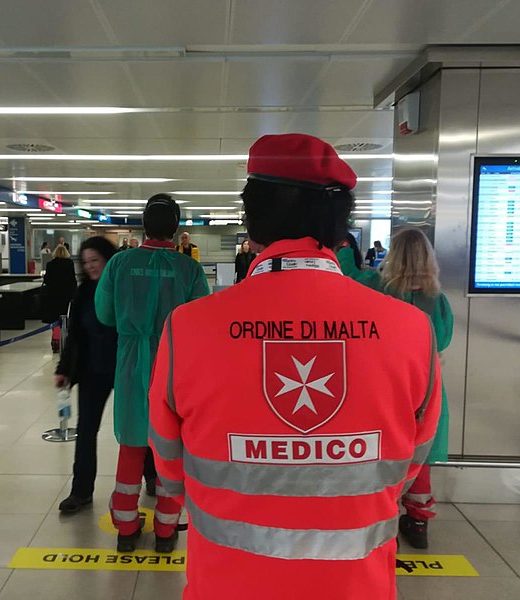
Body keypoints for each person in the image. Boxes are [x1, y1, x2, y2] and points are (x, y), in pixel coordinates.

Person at [148, 134, 441, 599]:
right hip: (356, 585)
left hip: (227, 581)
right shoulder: (411, 329)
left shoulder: (187, 327)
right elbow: (409, 462)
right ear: (340, 226)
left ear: (252, 220)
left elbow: (169, 463)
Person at [95, 193, 209, 554]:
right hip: (175, 366)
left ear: (144, 225)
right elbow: (200, 322)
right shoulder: (188, 269)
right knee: (169, 449)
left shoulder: (119, 264)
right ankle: (165, 529)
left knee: (131, 446)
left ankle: (126, 528)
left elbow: (105, 314)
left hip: (131, 364)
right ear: (176, 229)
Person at [380, 228, 453, 549]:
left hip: (386, 384)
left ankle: (380, 516)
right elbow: (445, 339)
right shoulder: (436, 299)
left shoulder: (378, 290)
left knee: (385, 452)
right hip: (426, 385)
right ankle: (418, 520)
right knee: (420, 455)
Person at [54, 237, 124, 513]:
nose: (91, 266)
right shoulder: (83, 293)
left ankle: (151, 475)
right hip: (92, 371)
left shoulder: (123, 289)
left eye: (96, 260)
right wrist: (63, 369)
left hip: (124, 369)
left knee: (136, 428)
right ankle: (81, 491)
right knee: (85, 431)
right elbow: (74, 337)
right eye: (86, 262)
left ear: (109, 259)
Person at [42, 244, 77, 353]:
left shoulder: (50, 264)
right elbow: (72, 280)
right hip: (65, 296)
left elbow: (47, 280)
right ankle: (63, 339)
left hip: (52, 296)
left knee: (54, 318)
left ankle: (55, 338)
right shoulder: (69, 263)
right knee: (64, 317)